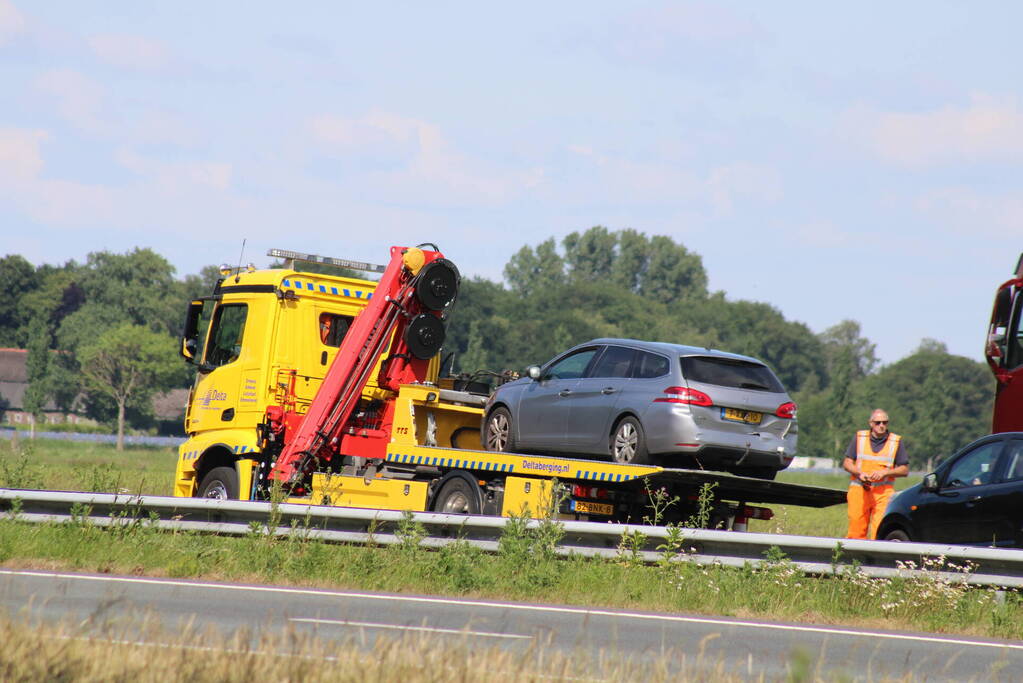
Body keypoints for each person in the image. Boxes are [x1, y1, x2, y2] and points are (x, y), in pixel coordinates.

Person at [843, 409, 909, 540]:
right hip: (859, 489)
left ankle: (876, 553)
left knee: (879, 530)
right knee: (856, 531)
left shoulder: (895, 441)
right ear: (871, 423)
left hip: (883, 492)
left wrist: (885, 473)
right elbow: (847, 463)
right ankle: (855, 553)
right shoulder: (860, 437)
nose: (881, 425)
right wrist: (859, 473)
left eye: (885, 422)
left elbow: (904, 469)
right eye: (878, 422)